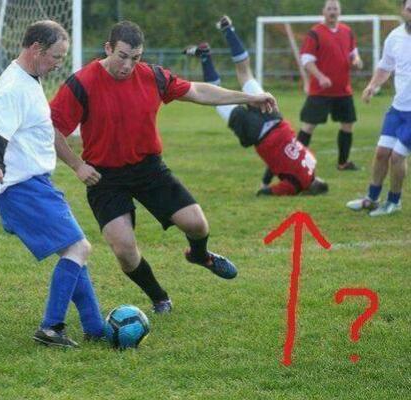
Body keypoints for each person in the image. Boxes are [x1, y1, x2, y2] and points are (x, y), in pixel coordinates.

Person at [50, 20, 277, 314]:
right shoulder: (81, 83)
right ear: (108, 48)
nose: (128, 65)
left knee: (197, 225)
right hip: (105, 177)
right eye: (122, 56)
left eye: (136, 58)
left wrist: (250, 97)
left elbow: (197, 91)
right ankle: (159, 297)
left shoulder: (152, 76)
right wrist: (77, 165)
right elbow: (51, 129)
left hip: (148, 169)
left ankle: (200, 255)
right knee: (125, 252)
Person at [0, 20, 105, 347]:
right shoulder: (14, 88)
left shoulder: (27, 78)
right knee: (79, 247)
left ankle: (95, 327)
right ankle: (51, 327)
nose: (58, 64)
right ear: (36, 49)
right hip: (22, 187)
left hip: (34, 184)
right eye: (55, 57)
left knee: (73, 249)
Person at [184, 16, 328, 197]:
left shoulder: (312, 161)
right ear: (309, 191)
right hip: (258, 133)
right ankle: (205, 56)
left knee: (246, 74)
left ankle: (228, 30)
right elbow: (267, 192)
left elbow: (280, 159)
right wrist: (265, 187)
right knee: (217, 99)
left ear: (320, 180)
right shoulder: (297, 184)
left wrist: (267, 179)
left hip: (274, 118)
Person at [346, 0, 411, 216]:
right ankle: (371, 199)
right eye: (410, 9)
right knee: (382, 152)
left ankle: (394, 202)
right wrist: (372, 86)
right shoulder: (395, 37)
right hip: (397, 108)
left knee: (397, 156)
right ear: (403, 10)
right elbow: (385, 66)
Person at [296, 0, 363, 171]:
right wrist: (320, 76)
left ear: (339, 11)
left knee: (348, 124)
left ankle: (343, 163)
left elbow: (354, 54)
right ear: (323, 11)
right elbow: (306, 60)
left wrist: (356, 61)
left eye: (335, 8)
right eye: (329, 8)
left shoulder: (347, 31)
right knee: (309, 126)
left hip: (342, 91)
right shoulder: (315, 33)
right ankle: (295, 163)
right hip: (320, 92)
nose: (332, 11)